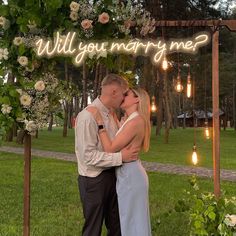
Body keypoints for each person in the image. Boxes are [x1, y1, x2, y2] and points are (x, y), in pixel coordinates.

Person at [75, 74, 139, 236]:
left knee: (117, 226)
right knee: (93, 229)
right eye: (124, 94)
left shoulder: (111, 114)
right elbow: (88, 157)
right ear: (114, 91)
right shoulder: (87, 116)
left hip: (113, 175)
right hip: (94, 180)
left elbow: (115, 143)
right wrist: (120, 158)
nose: (124, 99)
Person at [87, 87, 152, 236]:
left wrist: (100, 123)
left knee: (133, 221)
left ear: (137, 99)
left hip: (131, 176)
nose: (123, 96)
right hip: (127, 173)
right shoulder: (129, 119)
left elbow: (110, 148)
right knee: (129, 219)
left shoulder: (136, 121)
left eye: (127, 94)